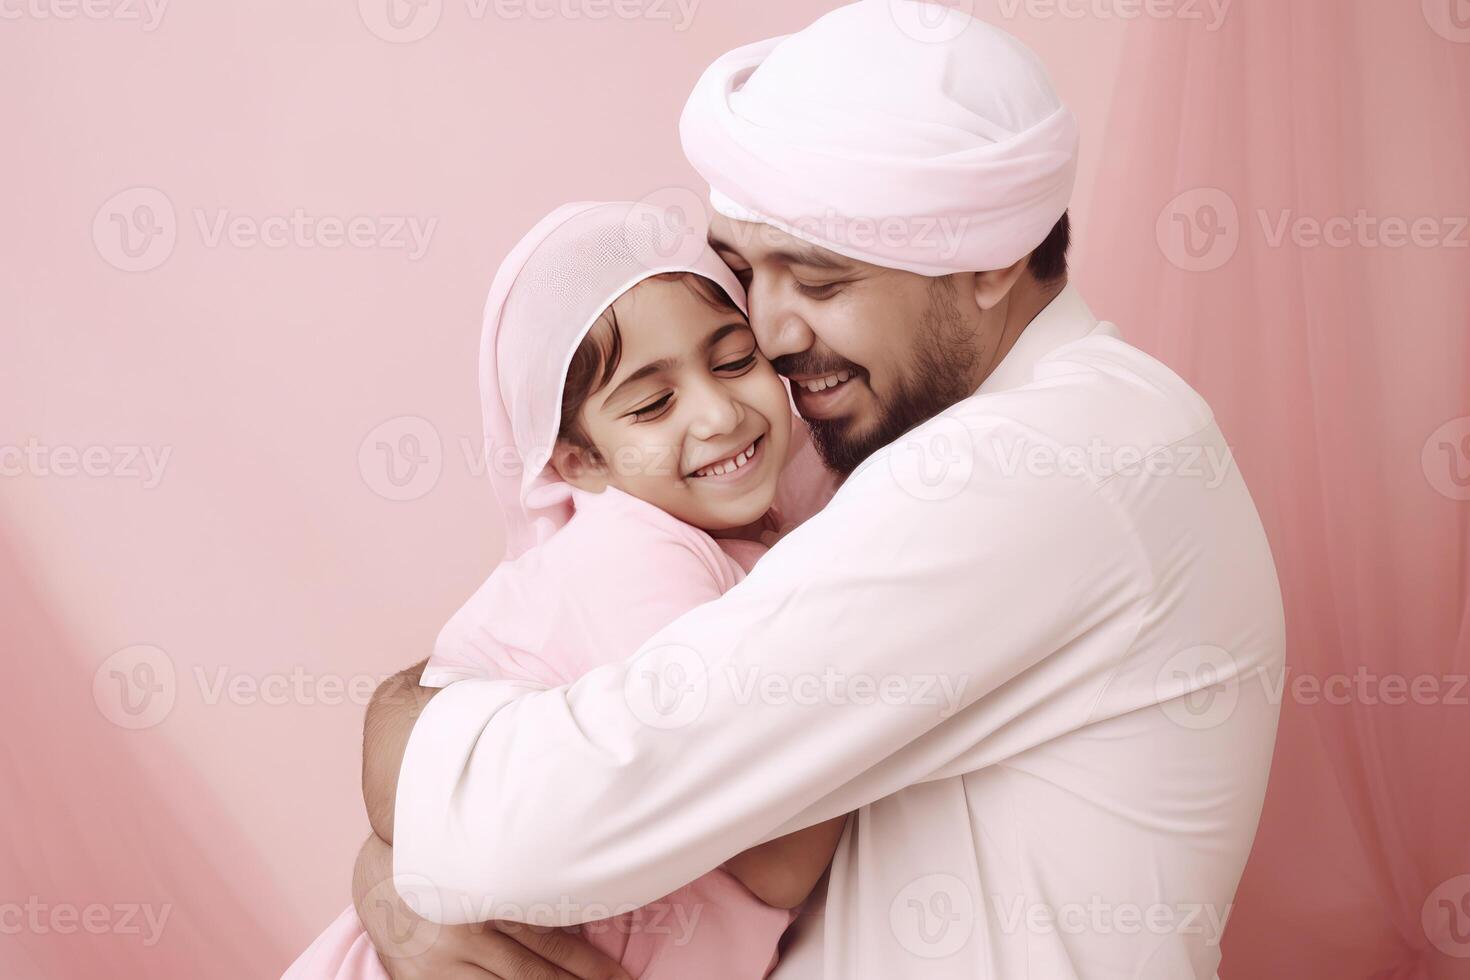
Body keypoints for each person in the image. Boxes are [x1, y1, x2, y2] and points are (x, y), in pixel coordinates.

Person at [358, 4, 1285, 978]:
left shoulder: (1039, 464)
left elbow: (558, 811)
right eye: (746, 272)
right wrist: (407, 868)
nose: (770, 329)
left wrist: (397, 758)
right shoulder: (899, 431)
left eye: (819, 279)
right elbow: (581, 691)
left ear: (991, 258)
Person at [283, 202, 844, 980]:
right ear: (578, 464)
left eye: (734, 359)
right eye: (652, 405)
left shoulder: (750, 539)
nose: (719, 413)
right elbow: (775, 860)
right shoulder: (637, 558)